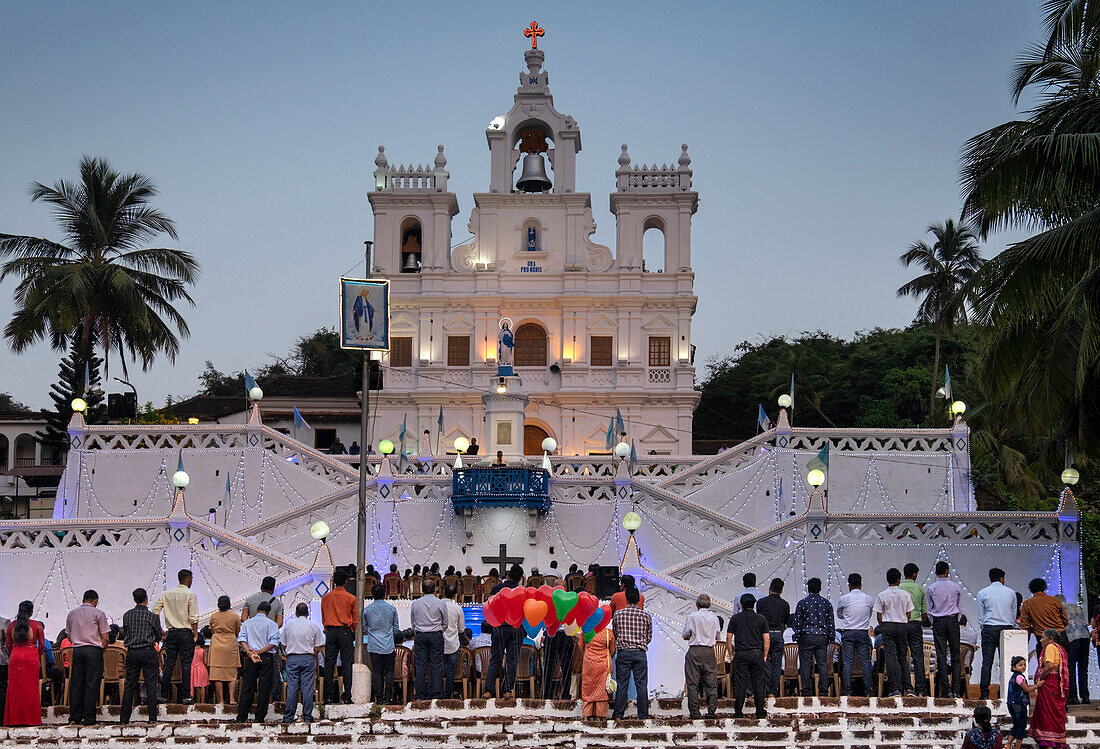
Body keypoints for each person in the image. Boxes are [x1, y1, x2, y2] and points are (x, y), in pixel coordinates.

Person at [153, 569, 199, 705]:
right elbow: (194, 618)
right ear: (189, 579)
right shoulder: (191, 594)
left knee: (169, 665)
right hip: (186, 633)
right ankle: (186, 696)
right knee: (186, 665)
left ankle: (163, 695)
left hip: (171, 633)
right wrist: (195, 634)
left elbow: (155, 611)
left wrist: (161, 630)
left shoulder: (166, 594)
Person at [65, 589, 110, 725]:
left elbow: (68, 635)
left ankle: (74, 717)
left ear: (83, 599)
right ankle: (89, 718)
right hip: (93, 650)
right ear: (95, 601)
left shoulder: (72, 614)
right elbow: (105, 637)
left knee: (76, 683)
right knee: (91, 683)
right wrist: (101, 648)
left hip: (77, 650)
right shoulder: (99, 613)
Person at [119, 588, 163, 724]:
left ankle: (124, 719)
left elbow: (125, 632)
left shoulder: (127, 615)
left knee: (130, 685)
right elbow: (158, 635)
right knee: (151, 684)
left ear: (134, 600)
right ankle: (152, 718)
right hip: (148, 651)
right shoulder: (151, 616)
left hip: (132, 651)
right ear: (146, 598)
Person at [976, 567, 1018, 700]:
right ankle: (1004, 691)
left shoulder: (983, 593)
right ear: (1002, 579)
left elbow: (980, 615)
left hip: (989, 628)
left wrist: (984, 625)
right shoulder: (1011, 592)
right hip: (1006, 628)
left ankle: (984, 694)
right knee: (1006, 662)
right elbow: (1013, 612)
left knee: (987, 662)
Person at [236, 600, 280, 722]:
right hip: (266, 657)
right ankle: (259, 718)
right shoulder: (272, 624)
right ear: (269, 612)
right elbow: (273, 643)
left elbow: (241, 639)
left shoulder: (247, 623)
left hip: (250, 658)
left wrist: (250, 652)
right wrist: (259, 652)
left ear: (256, 610)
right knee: (264, 688)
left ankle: (241, 716)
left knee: (247, 687)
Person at [726, 593, 769, 718]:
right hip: (756, 653)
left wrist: (731, 654)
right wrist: (765, 655)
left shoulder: (735, 618)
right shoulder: (761, 619)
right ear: (754, 604)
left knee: (741, 683)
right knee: (758, 683)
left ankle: (738, 711)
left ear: (741, 605)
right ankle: (760, 711)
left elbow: (729, 637)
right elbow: (766, 638)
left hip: (741, 653)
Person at [483, 565, 524, 698]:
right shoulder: (521, 591)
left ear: (508, 575)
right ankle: (507, 690)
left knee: (495, 659)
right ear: (519, 579)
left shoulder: (497, 588)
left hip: (500, 626)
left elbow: (490, 607)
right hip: (516, 628)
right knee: (512, 660)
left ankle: (488, 690)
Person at [611, 587, 651, 720]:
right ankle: (643, 715)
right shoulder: (646, 616)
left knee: (622, 684)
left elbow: (615, 634)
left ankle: (618, 715)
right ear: (639, 600)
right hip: (640, 653)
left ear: (626, 599)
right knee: (641, 685)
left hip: (624, 653)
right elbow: (648, 637)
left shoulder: (618, 615)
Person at [281, 602, 324, 723]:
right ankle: (307, 716)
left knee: (292, 687)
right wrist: (312, 656)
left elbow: (283, 645)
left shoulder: (288, 626)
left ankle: (288, 716)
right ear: (307, 613)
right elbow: (318, 647)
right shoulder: (313, 626)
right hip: (308, 658)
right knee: (307, 688)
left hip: (292, 658)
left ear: (295, 613)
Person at [874, 567, 914, 697]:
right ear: (898, 580)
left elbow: (879, 616)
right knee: (903, 657)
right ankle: (908, 689)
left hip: (888, 626)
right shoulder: (905, 594)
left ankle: (895, 689)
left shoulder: (882, 595)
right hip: (902, 626)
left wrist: (885, 624)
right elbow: (909, 614)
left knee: (891, 658)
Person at [4, 601, 44, 727]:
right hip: (31, 656)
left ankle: (13, 719)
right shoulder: (37, 625)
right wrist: (35, 655)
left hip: (15, 656)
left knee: (15, 689)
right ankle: (31, 719)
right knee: (31, 689)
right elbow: (42, 645)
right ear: (31, 612)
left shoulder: (12, 625)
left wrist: (15, 652)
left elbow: (8, 645)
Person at [792, 577, 834, 697]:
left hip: (806, 636)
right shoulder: (827, 603)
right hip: (821, 636)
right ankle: (823, 691)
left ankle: (806, 691)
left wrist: (798, 634)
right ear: (820, 588)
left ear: (808, 588)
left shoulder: (802, 603)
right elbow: (830, 623)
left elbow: (797, 622)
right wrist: (831, 636)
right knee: (822, 664)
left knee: (805, 664)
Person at [927, 560, 963, 698]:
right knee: (955, 656)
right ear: (948, 571)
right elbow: (960, 608)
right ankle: (957, 691)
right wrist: (955, 620)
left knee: (941, 656)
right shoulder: (955, 586)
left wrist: (935, 621)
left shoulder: (931, 588)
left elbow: (930, 610)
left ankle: (946, 691)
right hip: (952, 620)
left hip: (938, 621)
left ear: (936, 572)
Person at [682, 593, 721, 719]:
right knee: (711, 682)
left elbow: (685, 634)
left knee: (692, 683)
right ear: (709, 605)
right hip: (709, 651)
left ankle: (694, 711)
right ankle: (711, 711)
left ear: (697, 604)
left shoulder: (692, 616)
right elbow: (717, 636)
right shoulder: (714, 618)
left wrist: (691, 636)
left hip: (694, 650)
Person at [1028, 628, 1069, 748]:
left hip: (1050, 683)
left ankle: (1049, 743)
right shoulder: (1060, 649)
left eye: (1042, 637)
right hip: (1056, 684)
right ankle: (1056, 741)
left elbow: (1049, 665)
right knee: (1055, 713)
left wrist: (1040, 678)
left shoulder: (1050, 647)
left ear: (1050, 639)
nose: (1040, 640)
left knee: (1047, 712)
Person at [321, 568, 356, 704]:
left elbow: (323, 617)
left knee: (329, 664)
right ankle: (346, 695)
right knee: (347, 663)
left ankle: (328, 697)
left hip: (330, 631)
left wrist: (327, 627)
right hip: (345, 630)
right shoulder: (351, 598)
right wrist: (350, 629)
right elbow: (355, 619)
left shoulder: (325, 598)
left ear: (334, 581)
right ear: (346, 582)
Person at [836, 572, 874, 696]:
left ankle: (847, 691)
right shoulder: (868, 599)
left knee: (848, 663)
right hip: (863, 632)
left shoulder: (844, 599)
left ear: (849, 585)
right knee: (865, 662)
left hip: (848, 632)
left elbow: (839, 615)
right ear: (861, 585)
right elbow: (869, 613)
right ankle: (868, 691)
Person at [362, 583, 401, 705]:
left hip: (374, 645)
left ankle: (378, 698)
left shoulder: (367, 610)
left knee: (377, 672)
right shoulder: (391, 609)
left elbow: (364, 628)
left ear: (372, 595)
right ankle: (388, 697)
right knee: (389, 672)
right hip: (388, 645)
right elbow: (396, 629)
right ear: (384, 594)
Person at [410, 578, 447, 700]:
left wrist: (420, 630)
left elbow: (413, 623)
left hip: (421, 635)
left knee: (420, 666)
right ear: (435, 589)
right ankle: (434, 694)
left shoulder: (415, 603)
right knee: (436, 665)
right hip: (436, 635)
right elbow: (445, 623)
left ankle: (420, 695)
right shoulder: (440, 603)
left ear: (422, 589)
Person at [898, 562, 929, 696]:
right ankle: (921, 689)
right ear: (915, 574)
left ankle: (905, 687)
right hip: (915, 625)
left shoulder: (898, 588)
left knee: (902, 657)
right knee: (918, 658)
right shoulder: (920, 589)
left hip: (901, 625)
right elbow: (924, 612)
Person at [756, 578, 790, 697]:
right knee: (776, 665)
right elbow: (786, 621)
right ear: (781, 590)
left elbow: (759, 618)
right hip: (778, 634)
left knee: (764, 662)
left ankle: (763, 689)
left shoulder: (761, 602)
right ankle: (772, 692)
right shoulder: (785, 604)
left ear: (769, 588)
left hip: (764, 635)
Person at [1018, 579, 1069, 654]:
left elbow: (1024, 625)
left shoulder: (1027, 603)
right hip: (1060, 635)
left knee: (1045, 663)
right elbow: (1065, 620)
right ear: (1044, 587)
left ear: (1031, 589)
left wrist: (1034, 629)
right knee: (1063, 663)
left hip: (1042, 636)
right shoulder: (1055, 600)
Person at [1056, 594, 1090, 705]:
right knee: (1083, 668)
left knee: (1070, 668)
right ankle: (1085, 696)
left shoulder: (1059, 607)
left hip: (1072, 637)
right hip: (1085, 636)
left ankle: (1073, 697)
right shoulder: (1076, 606)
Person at [208, 595, 241, 705]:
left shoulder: (213, 616)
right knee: (231, 673)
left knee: (217, 674)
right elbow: (238, 632)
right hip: (230, 644)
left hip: (216, 644)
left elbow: (212, 631)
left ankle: (220, 700)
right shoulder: (235, 616)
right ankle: (232, 699)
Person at [581, 621, 615, 718]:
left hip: (589, 663)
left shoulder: (586, 631)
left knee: (588, 687)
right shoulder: (608, 633)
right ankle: (601, 715)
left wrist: (587, 655)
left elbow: (580, 646)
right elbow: (612, 650)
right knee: (602, 689)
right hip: (603, 664)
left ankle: (587, 714)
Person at [1006, 655, 1040, 749]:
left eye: (1024, 665)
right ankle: (1018, 746)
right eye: (1020, 665)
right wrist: (1038, 685)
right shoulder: (1020, 677)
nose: (1023, 667)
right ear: (1014, 667)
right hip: (1019, 704)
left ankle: (1008, 744)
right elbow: (1027, 689)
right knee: (1021, 725)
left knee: (1016, 724)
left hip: (1011, 703)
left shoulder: (1014, 677)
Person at [440, 584, 465, 699]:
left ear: (443, 591)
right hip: (453, 644)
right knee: (450, 672)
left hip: (439, 643)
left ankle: (437, 693)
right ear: (455, 595)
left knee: (438, 670)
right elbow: (461, 629)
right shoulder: (457, 608)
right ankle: (447, 695)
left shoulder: (438, 605)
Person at [191, 633, 210, 702]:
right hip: (201, 669)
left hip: (192, 669)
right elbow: (205, 662)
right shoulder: (203, 651)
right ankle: (202, 702)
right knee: (202, 686)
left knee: (192, 685)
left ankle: (193, 700)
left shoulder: (191, 650)